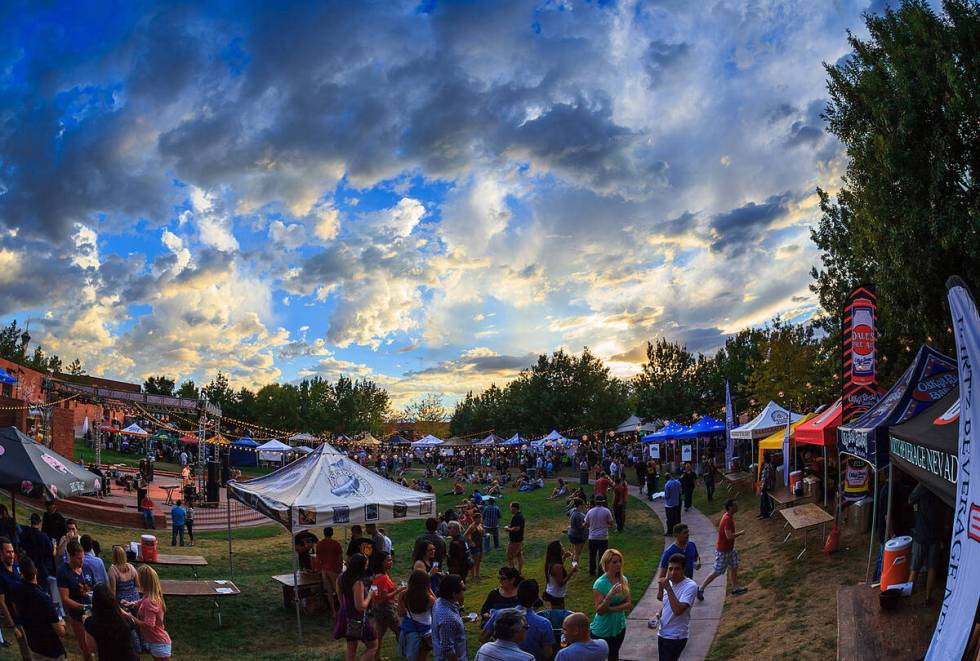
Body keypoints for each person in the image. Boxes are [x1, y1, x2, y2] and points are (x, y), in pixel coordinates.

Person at [480, 579, 552, 660]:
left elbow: (483, 638)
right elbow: (547, 654)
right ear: (536, 599)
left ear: (517, 595)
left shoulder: (499, 614)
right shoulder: (544, 624)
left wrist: (497, 651)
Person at [11, 557, 67, 661]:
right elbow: (61, 632)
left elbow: (15, 609)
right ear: (36, 571)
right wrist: (63, 623)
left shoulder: (17, 590)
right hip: (51, 651)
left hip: (34, 645)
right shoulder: (43, 598)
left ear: (21, 573)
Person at [697, 498, 747, 600]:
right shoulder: (727, 519)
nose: (737, 506)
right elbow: (729, 536)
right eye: (734, 505)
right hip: (723, 551)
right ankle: (701, 589)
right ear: (730, 507)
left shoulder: (728, 516)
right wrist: (740, 533)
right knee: (717, 571)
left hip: (729, 549)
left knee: (734, 565)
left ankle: (735, 588)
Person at [334, 553, 378, 661]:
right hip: (356, 618)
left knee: (351, 648)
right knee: (373, 646)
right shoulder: (358, 584)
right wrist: (371, 595)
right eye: (366, 565)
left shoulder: (341, 577)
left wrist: (344, 608)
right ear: (360, 567)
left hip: (345, 614)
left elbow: (339, 596)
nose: (367, 567)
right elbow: (360, 606)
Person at [590, 548, 632, 661]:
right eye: (614, 562)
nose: (618, 564)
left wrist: (612, 608)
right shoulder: (599, 584)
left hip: (619, 626)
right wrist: (609, 596)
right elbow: (600, 611)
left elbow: (628, 604)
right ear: (606, 564)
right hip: (603, 629)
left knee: (614, 655)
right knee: (599, 657)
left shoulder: (623, 580)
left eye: (619, 561)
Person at [657, 553, 699, 661]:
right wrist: (658, 615)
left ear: (683, 569)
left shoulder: (690, 586)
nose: (672, 573)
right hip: (662, 633)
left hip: (676, 636)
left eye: (677, 569)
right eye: (670, 569)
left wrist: (668, 588)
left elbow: (678, 610)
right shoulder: (669, 583)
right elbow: (667, 605)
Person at [57, 540, 95, 661]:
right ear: (70, 556)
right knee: (86, 647)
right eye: (78, 558)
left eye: (82, 557)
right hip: (78, 615)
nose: (82, 561)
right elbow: (65, 598)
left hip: (92, 613)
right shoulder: (63, 572)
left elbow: (94, 587)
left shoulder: (87, 568)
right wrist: (84, 607)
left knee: (96, 645)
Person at [84, 584, 140, 661]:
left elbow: (92, 649)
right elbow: (134, 623)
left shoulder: (91, 623)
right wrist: (121, 611)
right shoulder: (125, 620)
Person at [909, 482, 942, 603]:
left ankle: (909, 594)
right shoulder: (938, 491)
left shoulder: (919, 490)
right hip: (934, 535)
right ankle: (928, 598)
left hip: (920, 534)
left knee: (915, 567)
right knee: (931, 567)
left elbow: (910, 499)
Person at [0, 537, 30, 661]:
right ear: (0, 553)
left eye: (12, 551)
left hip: (28, 614)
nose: (12, 555)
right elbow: (1, 602)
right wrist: (13, 626)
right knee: (28, 654)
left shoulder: (16, 565)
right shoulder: (0, 574)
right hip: (17, 619)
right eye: (8, 552)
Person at [371, 552, 405, 656]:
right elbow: (384, 596)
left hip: (377, 607)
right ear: (381, 562)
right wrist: (399, 590)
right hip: (386, 609)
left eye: (391, 560)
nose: (391, 562)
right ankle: (408, 653)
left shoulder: (377, 575)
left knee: (379, 634)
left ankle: (376, 656)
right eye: (388, 560)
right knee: (400, 631)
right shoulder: (383, 578)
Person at [135, 565, 172, 660]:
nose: (136, 579)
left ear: (143, 581)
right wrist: (132, 604)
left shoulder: (149, 601)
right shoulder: (149, 596)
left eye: (138, 577)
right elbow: (141, 602)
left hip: (159, 644)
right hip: (157, 642)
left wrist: (132, 619)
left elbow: (149, 624)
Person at [399, 569, 436, 661]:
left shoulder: (404, 595)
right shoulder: (429, 599)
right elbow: (437, 607)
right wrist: (429, 589)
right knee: (423, 655)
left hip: (409, 629)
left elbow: (400, 613)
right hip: (426, 631)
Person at [431, 574, 468, 661]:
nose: (465, 590)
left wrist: (462, 620)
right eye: (463, 589)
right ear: (454, 594)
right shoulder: (449, 618)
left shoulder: (439, 601)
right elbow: (447, 649)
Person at [19, 513, 55, 584]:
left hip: (28, 568)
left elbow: (21, 547)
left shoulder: (25, 533)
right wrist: (55, 546)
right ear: (40, 523)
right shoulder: (44, 536)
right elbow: (52, 552)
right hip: (42, 570)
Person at [315, 527, 344, 617]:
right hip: (333, 569)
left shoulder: (319, 544)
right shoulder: (336, 544)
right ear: (332, 533)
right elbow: (340, 558)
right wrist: (340, 568)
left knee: (329, 591)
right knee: (338, 590)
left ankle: (333, 611)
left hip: (324, 570)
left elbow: (318, 558)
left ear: (324, 533)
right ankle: (343, 609)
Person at [584, 496, 614, 577]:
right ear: (603, 501)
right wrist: (605, 525)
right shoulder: (606, 511)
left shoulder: (590, 511)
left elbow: (586, 524)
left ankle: (592, 571)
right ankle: (601, 571)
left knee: (592, 555)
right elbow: (611, 523)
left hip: (592, 537)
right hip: (603, 537)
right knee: (602, 555)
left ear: (595, 502)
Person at [543, 540, 576, 609]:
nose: (564, 548)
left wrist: (564, 558)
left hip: (552, 592)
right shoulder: (557, 566)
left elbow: (557, 571)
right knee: (559, 614)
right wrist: (572, 572)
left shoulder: (552, 561)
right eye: (562, 547)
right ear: (557, 550)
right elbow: (560, 583)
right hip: (556, 595)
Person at [504, 502, 525, 575]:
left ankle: (513, 572)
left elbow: (517, 528)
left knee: (509, 556)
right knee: (519, 555)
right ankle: (519, 571)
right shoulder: (519, 515)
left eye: (511, 507)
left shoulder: (517, 517)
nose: (510, 509)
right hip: (519, 539)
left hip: (515, 541)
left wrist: (508, 529)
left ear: (514, 508)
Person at [567, 499, 588, 566]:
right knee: (577, 553)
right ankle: (575, 567)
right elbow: (580, 527)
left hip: (571, 533)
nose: (584, 506)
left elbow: (567, 514)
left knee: (574, 550)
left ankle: (572, 562)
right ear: (580, 505)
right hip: (578, 536)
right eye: (583, 504)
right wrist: (586, 524)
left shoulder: (572, 510)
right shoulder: (579, 515)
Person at [465, 512, 485, 580]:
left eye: (481, 518)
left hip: (480, 544)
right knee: (474, 561)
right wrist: (471, 542)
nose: (480, 519)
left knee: (479, 560)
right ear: (475, 519)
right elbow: (465, 535)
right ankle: (473, 576)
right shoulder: (472, 526)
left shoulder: (480, 525)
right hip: (475, 546)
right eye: (478, 518)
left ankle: (477, 575)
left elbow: (482, 533)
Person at [758, 455, 775, 519]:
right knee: (762, 499)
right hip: (764, 485)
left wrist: (763, 486)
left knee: (764, 500)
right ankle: (762, 513)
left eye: (763, 458)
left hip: (766, 486)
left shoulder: (768, 466)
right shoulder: (765, 466)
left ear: (765, 459)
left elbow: (767, 478)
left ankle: (765, 514)